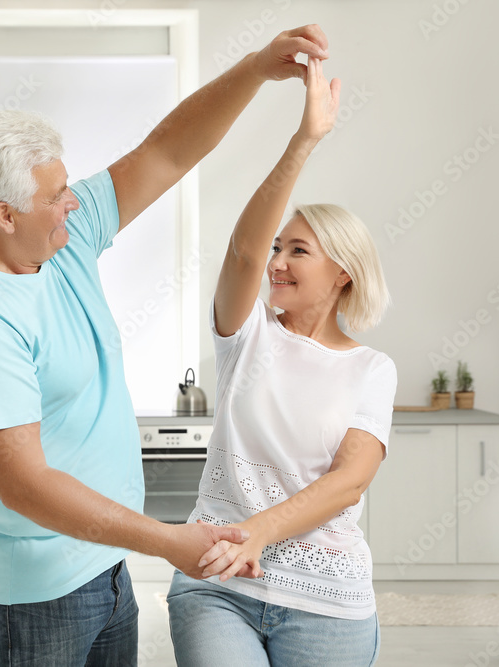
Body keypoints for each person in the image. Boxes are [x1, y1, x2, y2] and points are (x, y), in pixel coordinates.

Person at [0, 26, 332, 666]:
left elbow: (165, 152)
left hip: (105, 572)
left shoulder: (59, 242)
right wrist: (167, 541)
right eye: (55, 196)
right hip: (33, 599)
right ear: (5, 215)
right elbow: (26, 486)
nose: (72, 202)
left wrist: (253, 69)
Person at [166, 56, 396, 666]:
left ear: (343, 271)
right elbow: (242, 253)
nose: (276, 263)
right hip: (219, 583)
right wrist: (304, 141)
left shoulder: (372, 369)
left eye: (298, 250)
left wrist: (260, 534)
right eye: (278, 248)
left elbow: (349, 481)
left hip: (327, 601)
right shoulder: (248, 335)